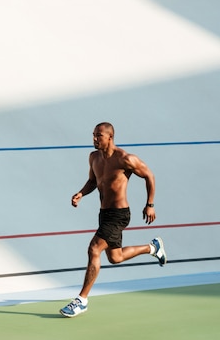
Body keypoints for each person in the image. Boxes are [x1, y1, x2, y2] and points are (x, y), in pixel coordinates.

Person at [60, 122, 167, 318]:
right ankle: (153, 248)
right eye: (93, 135)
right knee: (115, 258)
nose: (94, 139)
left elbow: (149, 176)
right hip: (104, 214)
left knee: (94, 249)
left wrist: (150, 204)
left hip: (119, 215)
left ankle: (82, 300)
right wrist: (81, 193)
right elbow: (93, 181)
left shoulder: (125, 158)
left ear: (110, 137)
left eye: (98, 135)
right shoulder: (93, 157)